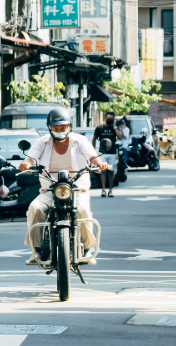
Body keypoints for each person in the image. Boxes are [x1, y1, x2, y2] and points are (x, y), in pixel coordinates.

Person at [19, 107, 110, 265]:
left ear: (69, 126)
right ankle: (37, 251)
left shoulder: (79, 140)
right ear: (50, 128)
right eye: (56, 128)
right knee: (35, 208)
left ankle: (87, 249)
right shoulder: (42, 142)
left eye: (63, 128)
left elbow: (92, 156)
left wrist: (99, 164)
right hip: (49, 190)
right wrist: (26, 164)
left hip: (76, 190)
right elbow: (31, 157)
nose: (59, 131)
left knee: (82, 211)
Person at [93, 111, 120, 197]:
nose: (110, 120)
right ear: (105, 118)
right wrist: (93, 150)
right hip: (102, 153)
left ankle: (110, 190)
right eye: (108, 118)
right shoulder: (100, 128)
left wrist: (115, 126)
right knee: (103, 171)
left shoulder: (114, 128)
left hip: (112, 153)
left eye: (111, 119)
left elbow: (120, 137)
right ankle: (103, 189)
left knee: (111, 172)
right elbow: (94, 139)